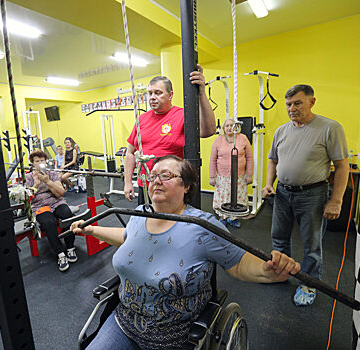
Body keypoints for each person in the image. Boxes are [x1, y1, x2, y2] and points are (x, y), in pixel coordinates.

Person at [72, 155, 300, 350]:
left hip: (173, 337)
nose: (156, 181)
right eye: (152, 176)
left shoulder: (201, 226)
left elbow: (239, 263)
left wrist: (267, 271)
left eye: (167, 175)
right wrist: (92, 230)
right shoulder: (141, 213)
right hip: (123, 322)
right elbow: (126, 237)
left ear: (187, 186)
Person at [261, 84, 349, 307]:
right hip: (282, 193)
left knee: (312, 244)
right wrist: (268, 184)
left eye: (297, 103)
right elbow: (273, 160)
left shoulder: (330, 128)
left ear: (312, 102)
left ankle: (309, 283)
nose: (292, 108)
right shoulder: (282, 130)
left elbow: (341, 166)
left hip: (313, 194)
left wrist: (336, 201)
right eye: (288, 104)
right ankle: (280, 274)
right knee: (279, 238)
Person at [123, 65, 217, 204]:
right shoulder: (141, 119)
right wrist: (128, 182)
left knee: (172, 224)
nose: (152, 97)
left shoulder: (182, 115)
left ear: (170, 95)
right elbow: (130, 152)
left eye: (158, 93)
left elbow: (208, 131)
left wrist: (201, 93)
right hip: (146, 186)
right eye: (150, 93)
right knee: (148, 223)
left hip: (171, 187)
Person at [26, 150, 77, 272]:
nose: (39, 163)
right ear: (33, 163)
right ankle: (60, 254)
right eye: (36, 161)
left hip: (56, 201)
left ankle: (70, 248)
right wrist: (37, 184)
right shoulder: (28, 177)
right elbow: (28, 199)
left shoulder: (53, 174)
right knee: (49, 222)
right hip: (39, 205)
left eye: (42, 160)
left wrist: (48, 181)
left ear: (46, 161)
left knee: (67, 214)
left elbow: (60, 193)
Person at [209, 118, 254, 228]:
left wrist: (249, 174)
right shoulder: (218, 140)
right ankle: (223, 218)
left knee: (237, 198)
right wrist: (212, 176)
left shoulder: (243, 138)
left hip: (239, 175)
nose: (229, 128)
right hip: (222, 176)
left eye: (232, 125)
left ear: (237, 127)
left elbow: (250, 158)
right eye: (227, 126)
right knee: (223, 198)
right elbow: (212, 159)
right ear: (224, 128)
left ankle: (233, 218)